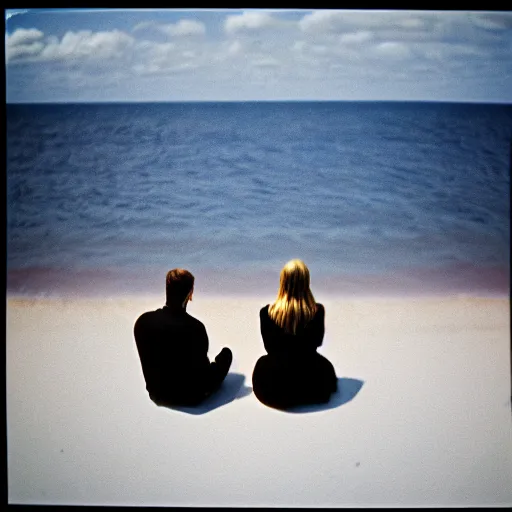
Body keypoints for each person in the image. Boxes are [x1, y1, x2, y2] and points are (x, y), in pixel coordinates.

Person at [134, 268, 232, 407]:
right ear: (190, 294)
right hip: (191, 397)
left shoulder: (143, 322)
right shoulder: (195, 327)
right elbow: (201, 373)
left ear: (167, 289)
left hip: (157, 395)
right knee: (226, 354)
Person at [252, 259, 338, 409]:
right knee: (326, 368)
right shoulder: (317, 311)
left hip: (275, 387)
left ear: (283, 281)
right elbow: (318, 341)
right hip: (310, 380)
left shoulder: (266, 313)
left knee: (262, 363)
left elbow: (269, 347)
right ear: (306, 281)